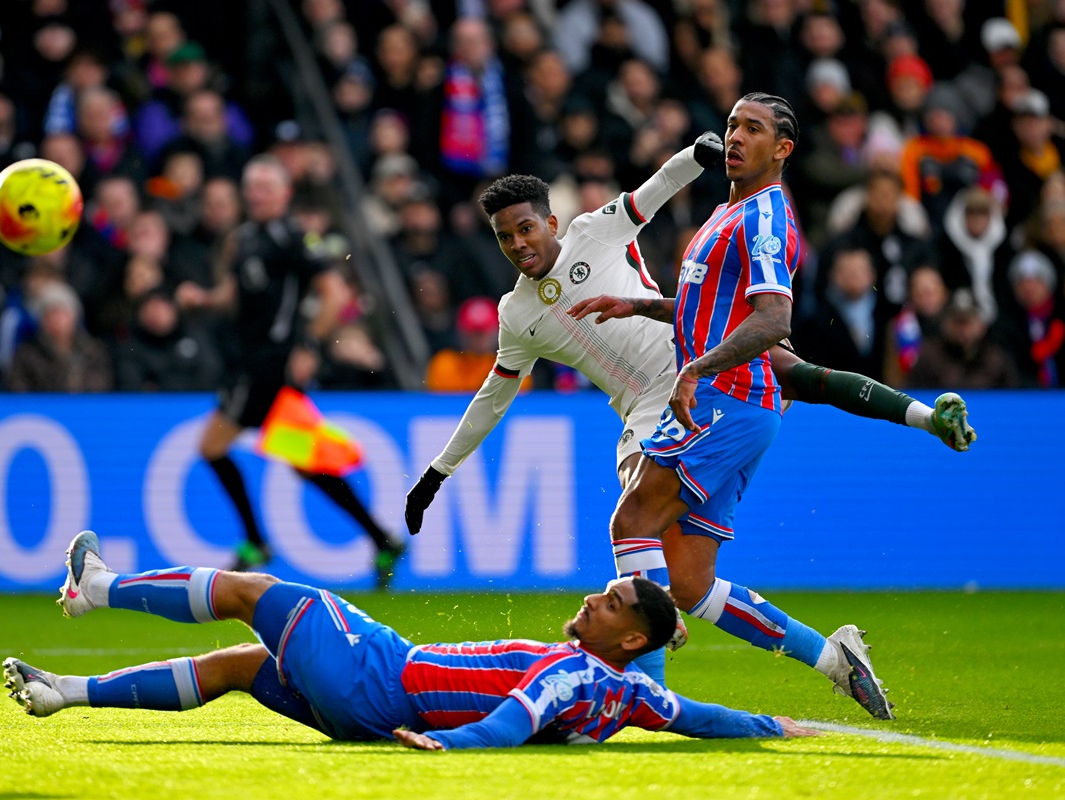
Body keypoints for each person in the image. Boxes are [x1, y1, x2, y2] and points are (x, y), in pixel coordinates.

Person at [405, 121, 974, 695]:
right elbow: (492, 397)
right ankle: (832, 659)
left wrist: (696, 155)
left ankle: (648, 687)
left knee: (777, 381)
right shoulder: (515, 315)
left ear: (549, 222)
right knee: (691, 585)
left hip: (694, 361)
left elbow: (649, 194)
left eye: (525, 228)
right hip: (644, 412)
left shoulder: (589, 233)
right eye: (505, 238)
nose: (519, 244)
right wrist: (436, 475)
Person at [568, 93, 897, 719]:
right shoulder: (728, 211)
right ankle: (835, 660)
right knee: (689, 583)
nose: (736, 137)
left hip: (726, 398)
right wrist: (635, 305)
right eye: (731, 126)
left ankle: (648, 700)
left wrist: (695, 368)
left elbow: (775, 319)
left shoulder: (767, 218)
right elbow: (714, 312)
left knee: (632, 521)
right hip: (734, 401)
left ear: (783, 148)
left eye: (753, 129)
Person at [2, 531, 819, 749]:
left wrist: (457, 750)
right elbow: (696, 715)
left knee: (254, 594)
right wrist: (770, 725)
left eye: (606, 602)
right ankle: (62, 693)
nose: (589, 599)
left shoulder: (576, 676)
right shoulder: (632, 690)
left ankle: (95, 589)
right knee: (240, 666)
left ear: (628, 635)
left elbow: (522, 714)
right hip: (373, 710)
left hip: (377, 678)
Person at [174, 155, 405, 584]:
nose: (256, 194)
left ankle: (256, 542)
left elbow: (334, 293)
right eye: (251, 186)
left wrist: (309, 344)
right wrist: (205, 299)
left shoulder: (292, 237)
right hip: (251, 362)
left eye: (265, 186)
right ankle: (382, 538)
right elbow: (235, 293)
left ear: (284, 194)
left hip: (269, 366)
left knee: (212, 446)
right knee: (304, 463)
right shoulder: (243, 238)